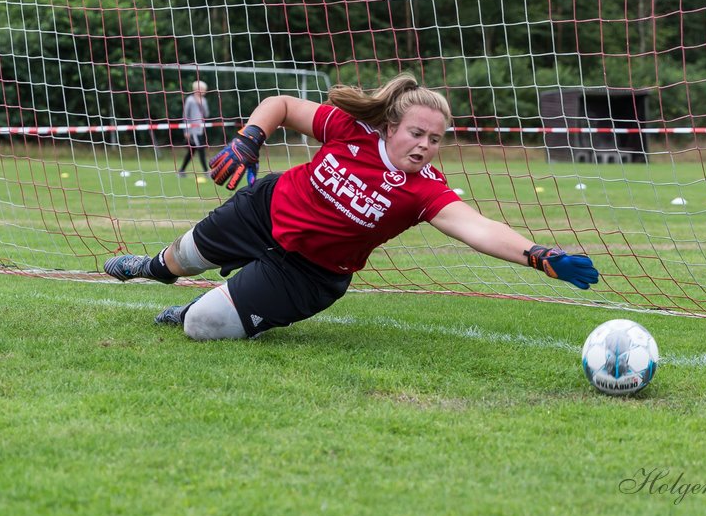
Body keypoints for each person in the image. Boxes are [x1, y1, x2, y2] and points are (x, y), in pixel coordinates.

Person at [103, 74, 599, 340]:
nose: (425, 145)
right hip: (265, 212)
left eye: (435, 138)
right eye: (416, 133)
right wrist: (249, 139)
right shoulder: (350, 130)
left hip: (309, 274)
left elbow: (479, 228)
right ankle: (153, 269)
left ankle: (200, 301)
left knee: (201, 326)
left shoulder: (424, 190)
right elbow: (281, 104)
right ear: (390, 128)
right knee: (180, 259)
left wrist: (540, 256)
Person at [177, 80, 211, 176]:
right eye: (203, 89)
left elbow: (206, 114)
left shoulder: (204, 100)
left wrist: (202, 105)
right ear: (197, 89)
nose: (205, 91)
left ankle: (181, 171)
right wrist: (186, 130)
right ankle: (206, 171)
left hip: (200, 130)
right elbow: (185, 115)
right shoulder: (190, 100)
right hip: (192, 131)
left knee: (192, 151)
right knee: (201, 149)